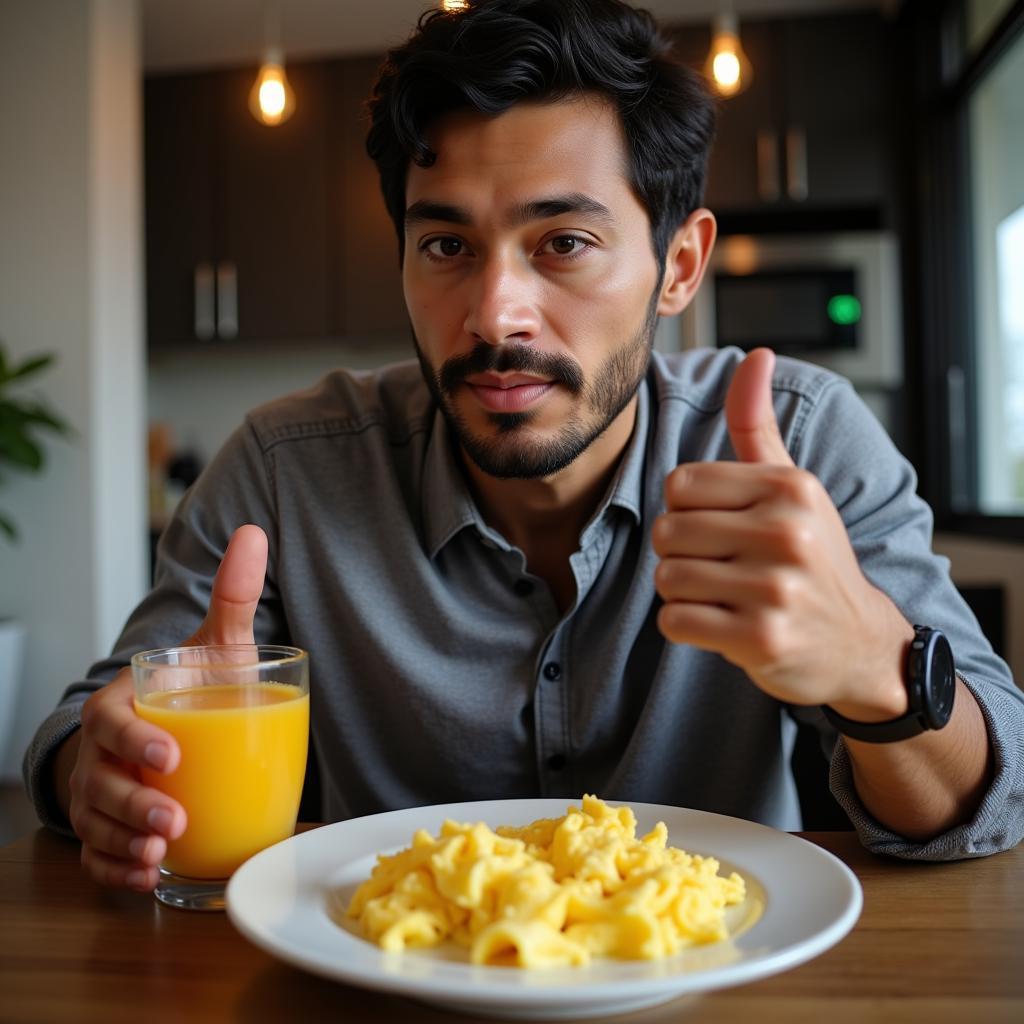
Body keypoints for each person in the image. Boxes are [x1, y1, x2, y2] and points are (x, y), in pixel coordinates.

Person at [25, 0, 1022, 892]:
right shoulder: (287, 470)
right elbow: (85, 729)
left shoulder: (794, 438)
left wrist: (879, 671)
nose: (495, 313)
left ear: (679, 265)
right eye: (447, 246)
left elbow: (992, 795)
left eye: (564, 243)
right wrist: (109, 772)